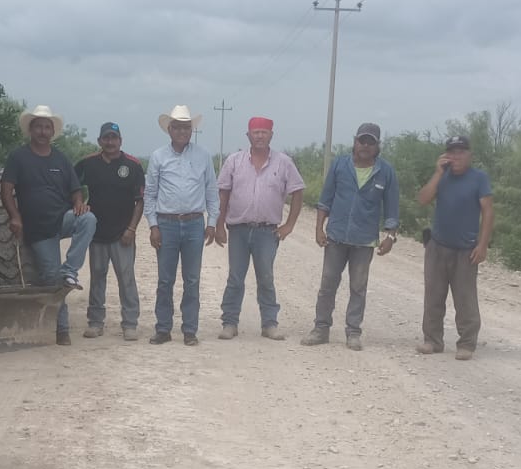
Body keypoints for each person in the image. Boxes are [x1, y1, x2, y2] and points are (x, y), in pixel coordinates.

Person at [0, 105, 97, 345]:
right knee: (52, 279)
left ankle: (70, 270)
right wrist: (15, 216)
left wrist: (79, 204)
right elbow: (6, 190)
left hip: (62, 218)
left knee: (89, 219)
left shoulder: (60, 158)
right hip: (37, 228)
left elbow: (76, 190)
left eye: (47, 127)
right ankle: (61, 329)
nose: (43, 131)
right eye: (39, 127)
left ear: (52, 131)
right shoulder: (18, 157)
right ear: (30, 130)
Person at [301, 123, 399, 351]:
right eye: (362, 140)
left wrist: (390, 237)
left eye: (370, 142)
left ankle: (353, 332)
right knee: (327, 284)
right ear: (355, 141)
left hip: (364, 240)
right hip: (336, 236)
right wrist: (319, 228)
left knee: (358, 287)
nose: (365, 145)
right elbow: (326, 199)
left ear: (377, 146)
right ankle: (321, 329)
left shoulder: (385, 172)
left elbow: (392, 209)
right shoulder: (339, 165)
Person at [214, 116, 305, 340]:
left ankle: (269, 324)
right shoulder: (234, 161)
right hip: (238, 229)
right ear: (248, 135)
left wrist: (289, 226)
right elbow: (223, 193)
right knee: (235, 277)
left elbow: (298, 192)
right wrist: (219, 225)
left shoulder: (284, 162)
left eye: (264, 132)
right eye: (256, 132)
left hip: (267, 231)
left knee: (266, 277)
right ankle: (229, 323)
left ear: (271, 135)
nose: (260, 136)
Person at [143, 104, 218, 346]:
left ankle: (189, 330)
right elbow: (150, 194)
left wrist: (212, 222)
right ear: (169, 129)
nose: (183, 131)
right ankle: (163, 329)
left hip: (195, 223)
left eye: (187, 127)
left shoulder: (203, 156)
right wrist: (153, 225)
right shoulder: (158, 157)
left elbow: (211, 191)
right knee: (165, 280)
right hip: (166, 224)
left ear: (191, 130)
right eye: (178, 127)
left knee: (192, 280)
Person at [416, 135, 494, 360]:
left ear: (469, 154)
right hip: (437, 246)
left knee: (465, 299)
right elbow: (422, 199)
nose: (456, 156)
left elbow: (488, 212)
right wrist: (438, 173)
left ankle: (467, 343)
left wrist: (483, 245)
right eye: (452, 152)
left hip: (466, 250)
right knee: (433, 297)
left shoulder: (479, 178)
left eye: (461, 151)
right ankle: (432, 340)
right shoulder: (442, 177)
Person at [74, 122, 145, 341]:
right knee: (97, 278)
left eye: (114, 137)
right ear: (99, 141)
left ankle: (130, 323)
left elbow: (139, 201)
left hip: (123, 233)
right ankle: (95, 322)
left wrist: (131, 229)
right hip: (96, 233)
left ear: (120, 141)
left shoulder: (132, 165)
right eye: (106, 138)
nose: (110, 142)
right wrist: (79, 202)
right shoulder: (88, 163)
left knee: (126, 279)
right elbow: (72, 184)